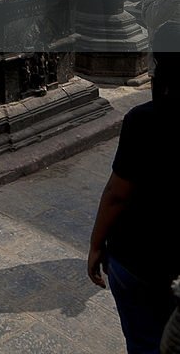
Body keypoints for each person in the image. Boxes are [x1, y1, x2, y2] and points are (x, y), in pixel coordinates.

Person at [88, 20, 180, 353]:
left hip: (138, 258)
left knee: (144, 342)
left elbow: (116, 195)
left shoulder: (145, 120)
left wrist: (96, 246)